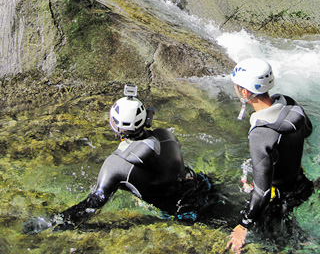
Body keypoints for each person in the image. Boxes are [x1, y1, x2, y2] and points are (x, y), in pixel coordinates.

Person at [24, 84, 227, 234]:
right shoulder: (167, 135)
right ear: (146, 118)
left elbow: (93, 203)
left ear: (115, 126)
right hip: (204, 188)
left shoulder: (116, 165)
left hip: (180, 213)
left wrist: (50, 222)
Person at [226, 58, 314, 253]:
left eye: (236, 86)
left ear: (245, 92)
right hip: (301, 184)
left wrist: (243, 226)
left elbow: (262, 192)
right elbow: (307, 130)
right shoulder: (290, 103)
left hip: (277, 199)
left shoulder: (261, 134)